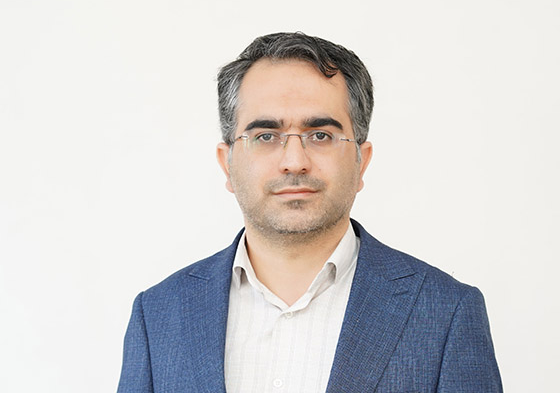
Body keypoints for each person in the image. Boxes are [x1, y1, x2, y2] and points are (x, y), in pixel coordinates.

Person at [117, 32, 502, 393]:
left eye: (320, 135)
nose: (294, 161)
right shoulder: (158, 315)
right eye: (265, 136)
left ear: (362, 161)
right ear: (227, 163)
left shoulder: (446, 313)